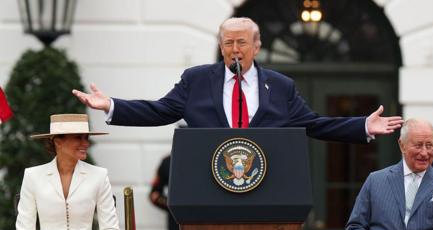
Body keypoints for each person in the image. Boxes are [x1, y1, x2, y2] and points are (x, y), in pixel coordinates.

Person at [72, 17, 403, 143]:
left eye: (241, 43)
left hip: (267, 188)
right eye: (228, 43)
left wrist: (362, 125)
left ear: (256, 47)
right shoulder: (197, 79)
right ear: (220, 47)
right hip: (209, 188)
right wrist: (111, 105)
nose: (234, 49)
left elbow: (314, 124)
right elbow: (160, 111)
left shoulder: (281, 86)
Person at [14, 114, 121, 230]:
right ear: (58, 141)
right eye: (78, 137)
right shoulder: (33, 176)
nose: (85, 143)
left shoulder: (99, 175)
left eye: (86, 138)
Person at [149, 154, 183, 230]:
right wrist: (173, 206)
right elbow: (154, 195)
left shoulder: (204, 159)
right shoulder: (168, 162)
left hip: (204, 228)